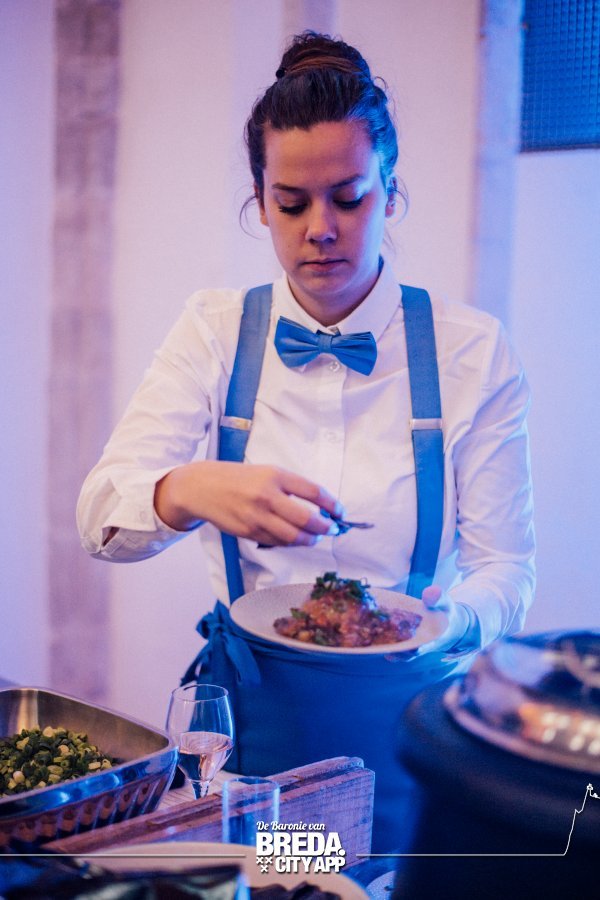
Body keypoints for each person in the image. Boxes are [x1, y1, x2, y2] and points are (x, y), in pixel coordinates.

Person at [77, 31, 535, 851]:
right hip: (259, 728)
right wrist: (188, 489)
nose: (321, 228)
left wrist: (453, 620)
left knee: (385, 883)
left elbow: (509, 565)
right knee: (283, 881)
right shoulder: (214, 331)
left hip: (409, 724)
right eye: (291, 203)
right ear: (259, 203)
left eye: (349, 198)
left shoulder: (471, 349)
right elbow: (98, 521)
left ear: (390, 191)